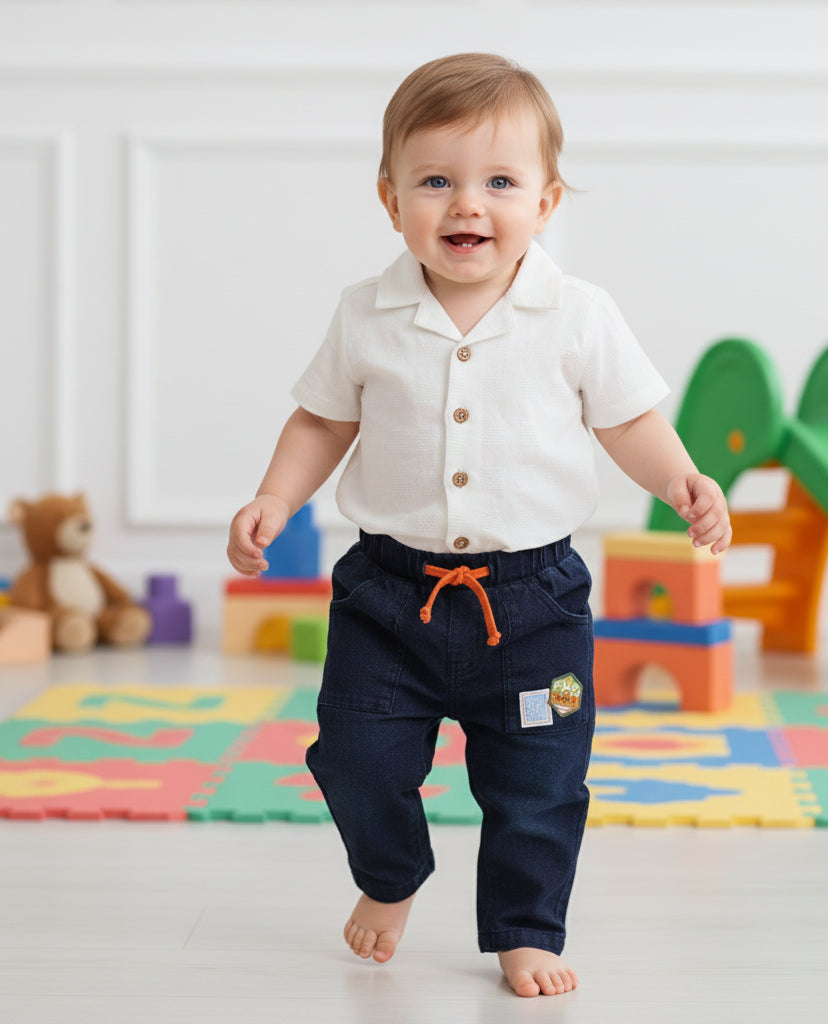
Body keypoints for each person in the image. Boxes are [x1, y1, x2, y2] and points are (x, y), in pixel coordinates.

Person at [227, 52, 731, 999]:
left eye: (500, 182)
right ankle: (390, 875)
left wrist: (682, 480)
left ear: (544, 205)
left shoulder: (578, 314)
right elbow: (323, 421)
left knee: (540, 784)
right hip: (389, 596)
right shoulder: (365, 314)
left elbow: (625, 419)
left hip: (534, 604)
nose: (468, 205)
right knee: (353, 754)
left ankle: (525, 928)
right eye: (437, 181)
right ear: (390, 199)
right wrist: (275, 497)